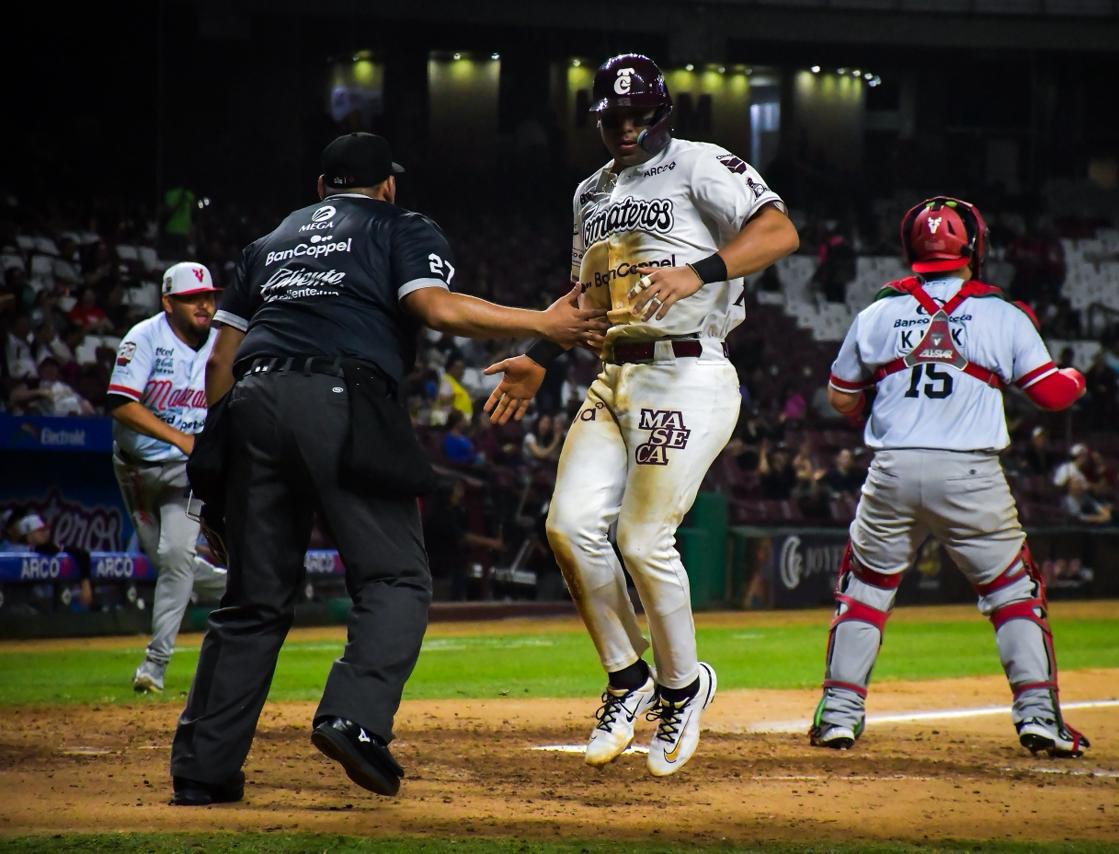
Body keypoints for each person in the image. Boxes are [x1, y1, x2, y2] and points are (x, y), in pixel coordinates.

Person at [168, 132, 606, 806]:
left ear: (322, 186)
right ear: (388, 187)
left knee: (252, 600)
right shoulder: (400, 225)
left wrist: (218, 473)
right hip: (341, 396)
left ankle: (202, 770)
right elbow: (433, 306)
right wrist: (543, 324)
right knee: (396, 576)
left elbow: (221, 360)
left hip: (253, 400)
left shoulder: (269, 242)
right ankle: (354, 718)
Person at [481, 54, 799, 777]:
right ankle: (629, 679)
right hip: (613, 372)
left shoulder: (700, 163)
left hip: (688, 370)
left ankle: (684, 688)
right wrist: (539, 354)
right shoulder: (590, 191)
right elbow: (586, 295)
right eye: (613, 118)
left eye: (639, 116)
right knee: (567, 528)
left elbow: (780, 232)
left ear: (662, 114)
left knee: (642, 536)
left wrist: (699, 270)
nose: (626, 129)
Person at [810, 196, 1091, 759]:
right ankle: (1038, 716)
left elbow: (839, 396)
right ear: (974, 247)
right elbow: (1052, 395)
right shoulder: (1003, 314)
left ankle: (838, 716)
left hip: (891, 469)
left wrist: (882, 403)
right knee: (1012, 593)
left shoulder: (878, 312)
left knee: (865, 591)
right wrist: (1077, 376)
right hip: (969, 473)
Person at [107, 262, 228, 694]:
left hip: (186, 471)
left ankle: (154, 665)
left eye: (208, 297)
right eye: (192, 298)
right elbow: (121, 404)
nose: (204, 305)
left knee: (176, 554)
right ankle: (240, 587)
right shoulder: (144, 338)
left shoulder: (222, 344)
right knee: (168, 564)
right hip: (136, 469)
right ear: (168, 302)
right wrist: (181, 438)